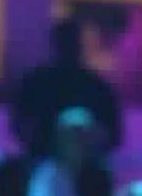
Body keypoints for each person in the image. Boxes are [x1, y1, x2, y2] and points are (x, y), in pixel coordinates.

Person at [13, 15, 124, 158]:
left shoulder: (99, 88)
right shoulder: (35, 84)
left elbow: (113, 135)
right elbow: (20, 125)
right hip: (42, 162)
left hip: (85, 171)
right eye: (68, 42)